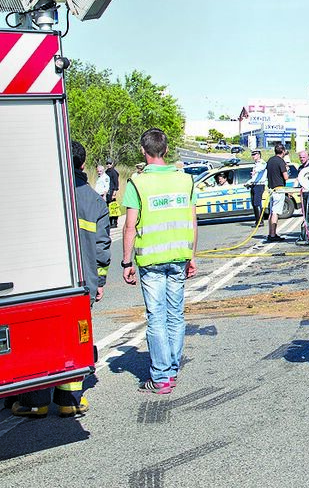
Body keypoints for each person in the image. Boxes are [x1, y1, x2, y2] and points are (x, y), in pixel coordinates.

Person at [11, 140, 111, 417]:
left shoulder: (44, 193)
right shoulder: (94, 200)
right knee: (76, 339)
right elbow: (102, 248)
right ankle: (70, 400)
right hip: (83, 285)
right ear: (82, 165)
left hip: (47, 282)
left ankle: (36, 400)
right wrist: (99, 283)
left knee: (40, 339)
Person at [121, 128, 198, 394]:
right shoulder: (185, 181)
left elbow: (130, 226)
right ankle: (172, 370)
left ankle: (161, 376)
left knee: (157, 317)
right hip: (178, 257)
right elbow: (192, 221)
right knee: (175, 315)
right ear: (166, 150)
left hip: (151, 260)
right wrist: (191, 256)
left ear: (144, 151)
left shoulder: (137, 183)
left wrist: (126, 262)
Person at [265, 143, 289, 243]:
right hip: (279, 189)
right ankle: (273, 234)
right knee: (275, 212)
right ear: (282, 151)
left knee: (271, 212)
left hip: (271, 189)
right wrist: (287, 169)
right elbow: (286, 177)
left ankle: (270, 233)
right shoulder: (280, 161)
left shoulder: (270, 160)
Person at [248, 149, 266, 226]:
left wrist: (256, 171)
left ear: (259, 155)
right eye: (252, 155)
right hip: (254, 184)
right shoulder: (255, 164)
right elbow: (254, 177)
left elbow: (262, 168)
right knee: (254, 203)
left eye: (254, 155)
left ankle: (260, 221)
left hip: (259, 185)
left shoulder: (262, 162)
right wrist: (248, 182)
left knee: (257, 203)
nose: (253, 156)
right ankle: (257, 220)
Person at [105, 159, 120, 227]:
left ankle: (114, 222)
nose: (108, 165)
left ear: (112, 163)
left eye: (110, 163)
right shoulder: (106, 172)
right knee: (108, 207)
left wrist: (115, 191)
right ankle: (110, 222)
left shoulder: (114, 172)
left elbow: (116, 183)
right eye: (107, 163)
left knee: (113, 207)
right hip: (107, 191)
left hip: (112, 191)